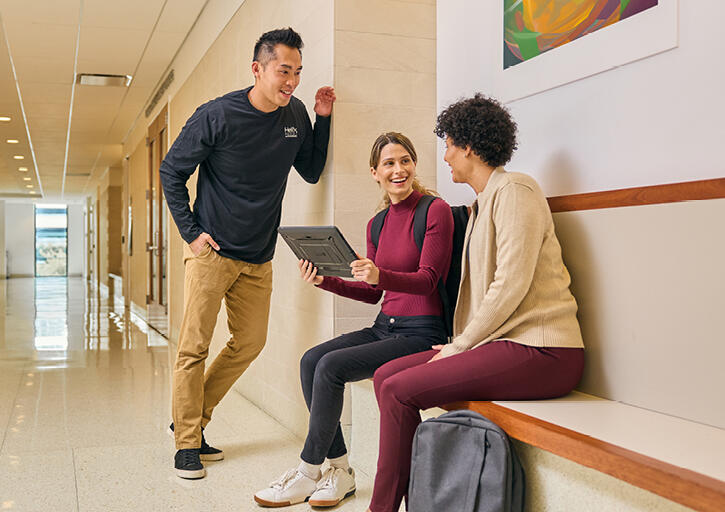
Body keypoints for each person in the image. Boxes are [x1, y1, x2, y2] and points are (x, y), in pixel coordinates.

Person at [366, 95, 585, 512]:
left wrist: (460, 345)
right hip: (505, 344)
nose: (445, 155)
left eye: (448, 144)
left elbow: (511, 284)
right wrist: (459, 343)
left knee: (397, 390)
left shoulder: (517, 190)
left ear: (468, 146)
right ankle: (416, 500)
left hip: (544, 349)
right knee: (384, 377)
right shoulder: (483, 203)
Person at [159, 27, 336, 480]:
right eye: (283, 71)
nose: (292, 81)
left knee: (250, 342)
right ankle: (187, 443)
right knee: (193, 348)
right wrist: (191, 233)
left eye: (297, 72)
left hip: (258, 256)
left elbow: (312, 171)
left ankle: (190, 418)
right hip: (212, 252)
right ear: (258, 69)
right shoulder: (217, 115)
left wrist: (322, 118)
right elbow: (171, 171)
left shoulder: (294, 113)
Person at [254, 132, 454, 508]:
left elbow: (429, 280)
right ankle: (342, 470)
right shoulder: (377, 223)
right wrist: (325, 281)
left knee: (330, 366)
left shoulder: (434, 210)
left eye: (405, 161)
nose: (399, 170)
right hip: (386, 326)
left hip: (423, 332)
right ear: (374, 173)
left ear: (413, 165)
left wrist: (381, 275)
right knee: (311, 360)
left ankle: (308, 471)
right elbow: (373, 292)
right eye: (389, 164)